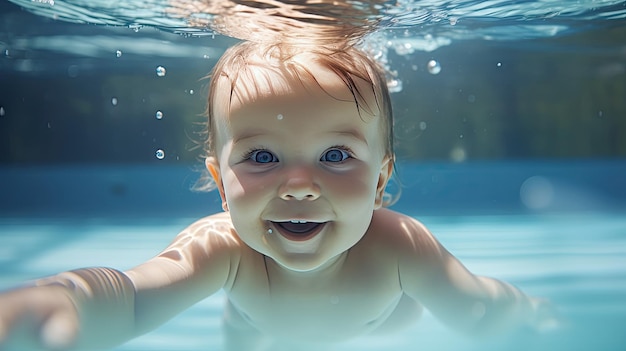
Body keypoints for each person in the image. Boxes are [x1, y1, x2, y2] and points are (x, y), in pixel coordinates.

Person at [0, 41, 555, 351]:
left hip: (383, 327)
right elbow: (135, 296)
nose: (300, 184)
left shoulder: (401, 247)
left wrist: (531, 318)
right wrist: (66, 299)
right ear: (221, 185)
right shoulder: (221, 250)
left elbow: (478, 308)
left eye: (336, 155)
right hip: (253, 330)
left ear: (381, 182)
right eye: (262, 157)